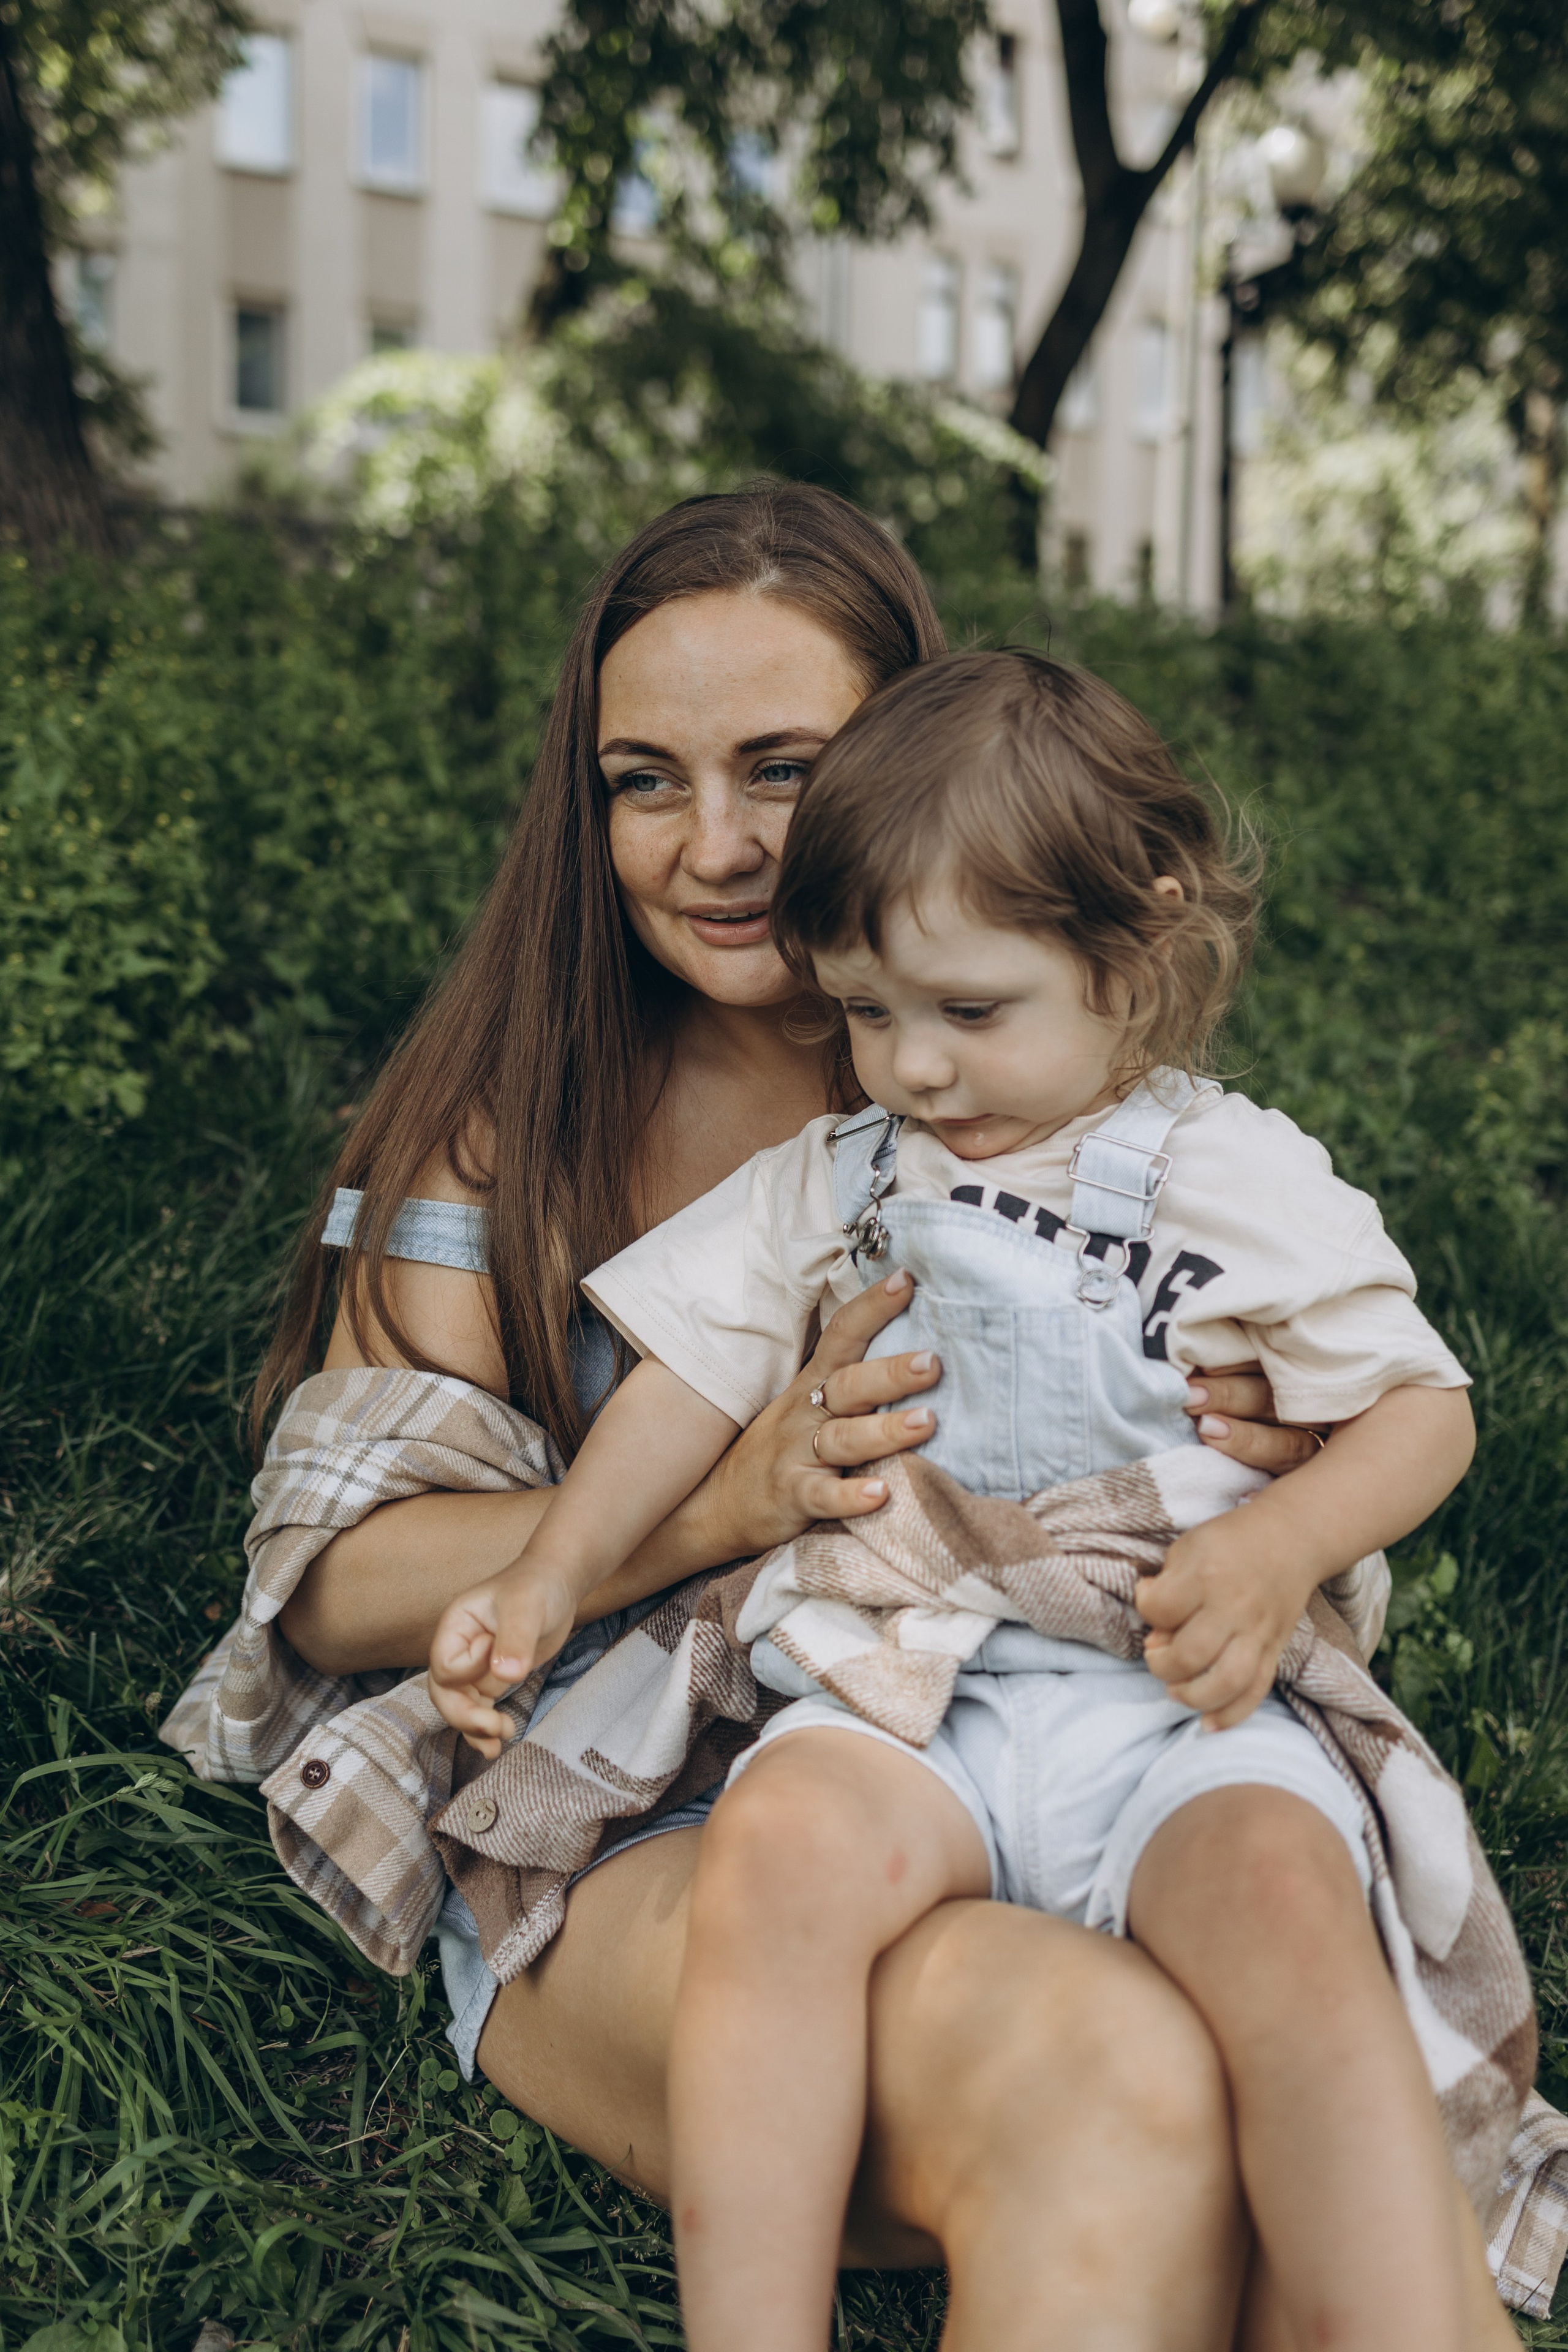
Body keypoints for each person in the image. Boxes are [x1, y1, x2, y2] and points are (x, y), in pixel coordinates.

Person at [263, 486, 1498, 2350]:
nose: (724, 845)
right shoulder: (526, 1125)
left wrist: (1287, 1484)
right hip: (662, 1825)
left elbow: (1351, 1408)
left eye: (786, 767)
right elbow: (333, 1586)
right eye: (645, 780)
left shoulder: (1077, 1111)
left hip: (1041, 1733)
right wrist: (735, 1497)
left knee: (1231, 2034)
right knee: (1113, 2077)